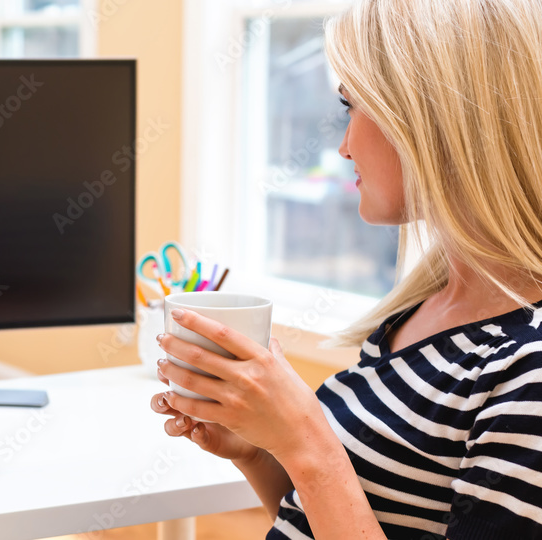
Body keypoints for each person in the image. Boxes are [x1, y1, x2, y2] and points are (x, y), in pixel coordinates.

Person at [151, 0, 542, 538]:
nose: (343, 145)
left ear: (438, 124)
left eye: (352, 107)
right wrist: (258, 452)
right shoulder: (420, 310)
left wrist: (305, 443)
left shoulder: (526, 369)